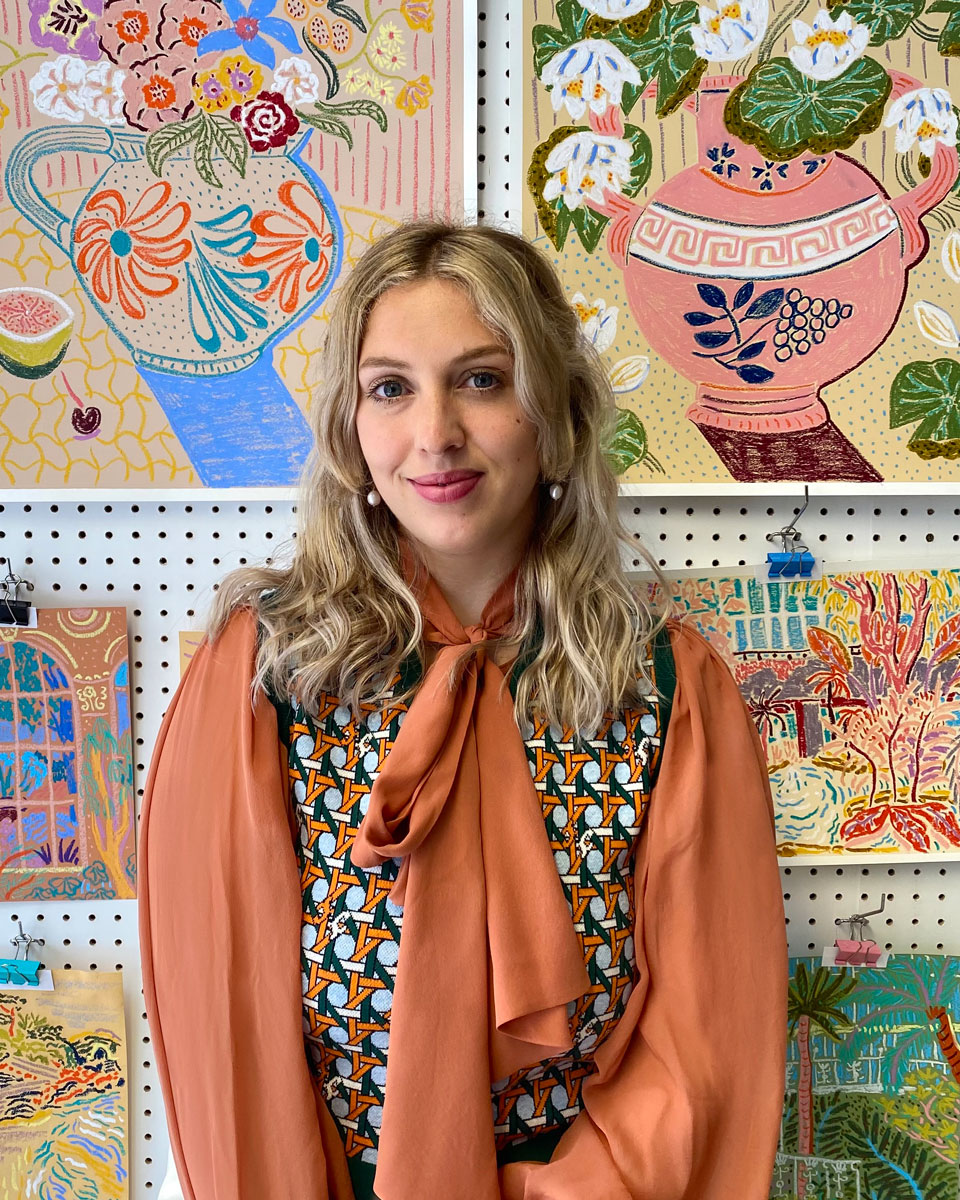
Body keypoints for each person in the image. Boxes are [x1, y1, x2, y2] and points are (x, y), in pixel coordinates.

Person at [139, 221, 788, 1200]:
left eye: (482, 379)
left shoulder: (663, 687)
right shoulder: (263, 677)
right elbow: (225, 1031)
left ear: (555, 412)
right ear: (350, 427)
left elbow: (706, 1040)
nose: (435, 432)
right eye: (391, 387)